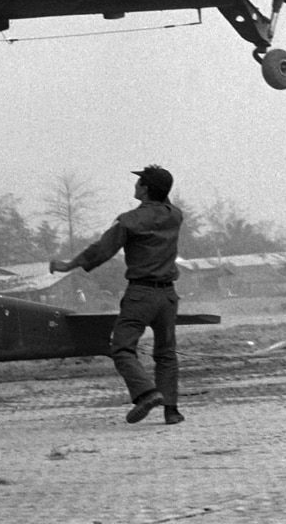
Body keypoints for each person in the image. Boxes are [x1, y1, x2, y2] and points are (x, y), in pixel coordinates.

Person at [50, 165, 185, 426]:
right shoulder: (175, 216)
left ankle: (146, 393)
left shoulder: (129, 220)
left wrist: (69, 265)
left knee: (122, 348)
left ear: (145, 189)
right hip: (168, 296)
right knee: (166, 353)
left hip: (141, 295)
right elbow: (163, 203)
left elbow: (102, 249)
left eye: (139, 183)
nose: (135, 186)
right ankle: (172, 411)